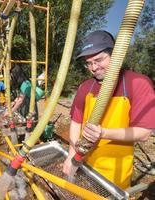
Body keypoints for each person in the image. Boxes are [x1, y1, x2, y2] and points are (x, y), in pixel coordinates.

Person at [63, 30, 155, 189]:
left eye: (99, 60)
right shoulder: (85, 87)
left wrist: (104, 133)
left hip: (115, 173)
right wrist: (72, 155)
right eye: (88, 63)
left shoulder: (138, 83)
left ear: (115, 54)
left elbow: (143, 133)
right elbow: (76, 122)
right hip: (85, 164)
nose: (93, 67)